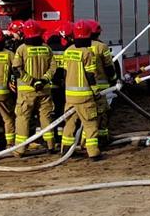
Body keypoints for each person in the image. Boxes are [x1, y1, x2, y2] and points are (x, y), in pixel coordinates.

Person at [56, 20, 117, 160]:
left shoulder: (69, 50)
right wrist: (95, 90)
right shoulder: (88, 53)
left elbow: (64, 73)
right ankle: (93, 152)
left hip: (70, 96)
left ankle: (65, 150)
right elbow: (90, 75)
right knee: (90, 124)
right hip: (85, 97)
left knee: (70, 123)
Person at [12, 21, 58, 155]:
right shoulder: (46, 48)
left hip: (26, 92)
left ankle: (20, 149)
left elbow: (16, 70)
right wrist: (43, 81)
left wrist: (31, 82)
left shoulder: (21, 49)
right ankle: (51, 146)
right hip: (44, 90)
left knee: (23, 119)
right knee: (46, 118)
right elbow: (53, 68)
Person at [77, 19, 117, 147]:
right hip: (100, 88)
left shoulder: (77, 47)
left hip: (83, 88)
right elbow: (109, 67)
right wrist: (114, 80)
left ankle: (83, 142)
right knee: (102, 113)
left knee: (86, 117)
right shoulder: (101, 47)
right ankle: (102, 139)